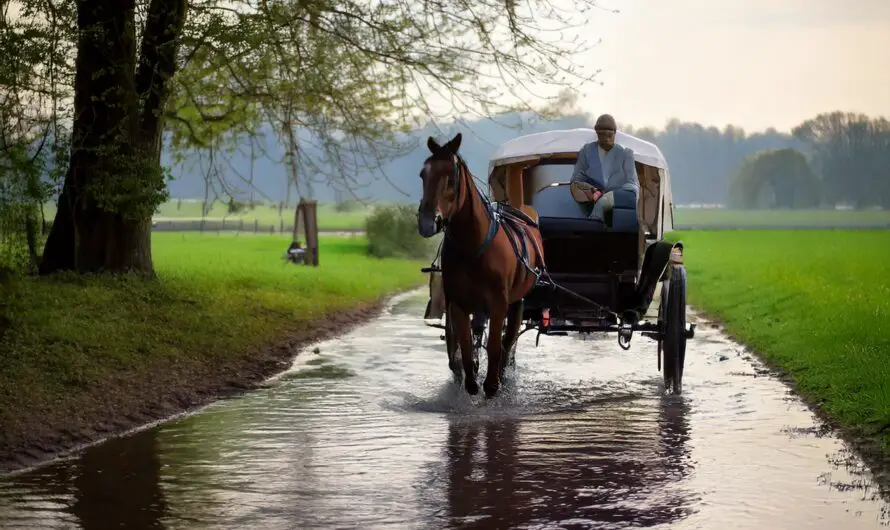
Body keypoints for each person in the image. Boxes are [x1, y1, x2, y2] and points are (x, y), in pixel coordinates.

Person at [570, 114, 640, 222]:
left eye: (609, 134)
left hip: (617, 207)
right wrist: (592, 191)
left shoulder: (626, 154)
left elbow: (633, 185)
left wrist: (611, 196)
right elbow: (576, 180)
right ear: (597, 133)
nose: (606, 139)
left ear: (615, 133)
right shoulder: (587, 152)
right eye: (601, 134)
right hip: (591, 203)